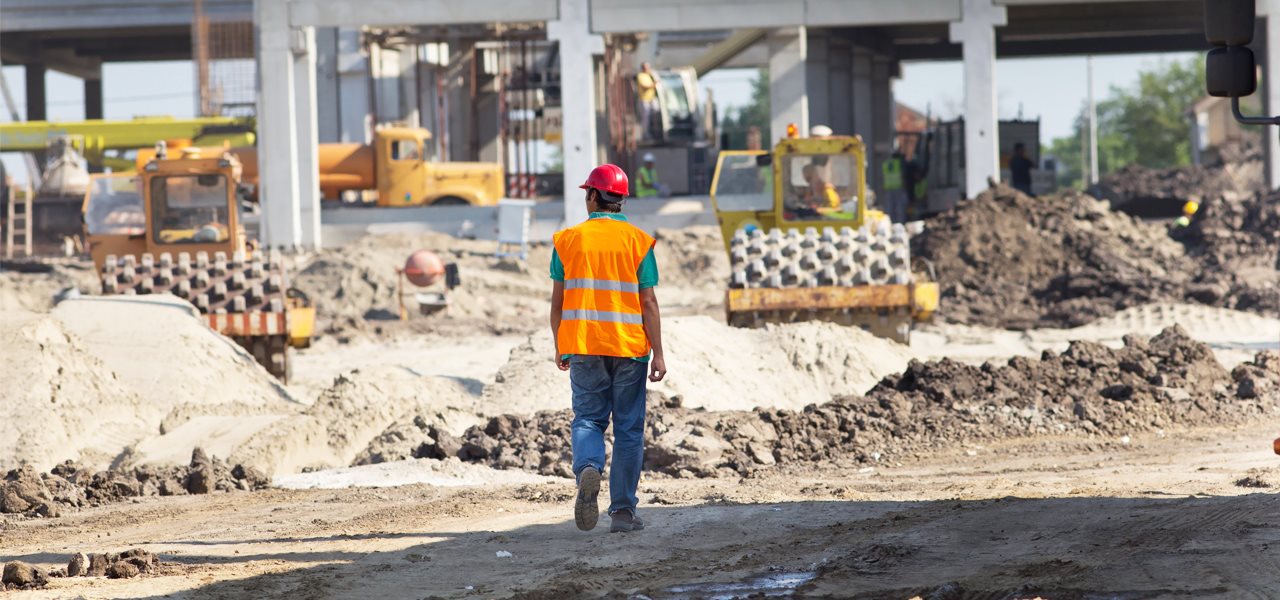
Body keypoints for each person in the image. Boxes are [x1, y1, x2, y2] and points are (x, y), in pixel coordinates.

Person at [549, 163, 667, 534]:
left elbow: (557, 303)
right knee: (629, 429)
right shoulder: (637, 240)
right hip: (630, 349)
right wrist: (659, 352)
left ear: (593, 195)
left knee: (588, 420)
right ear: (621, 200)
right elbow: (648, 302)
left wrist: (560, 345)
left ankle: (587, 467)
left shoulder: (567, 240)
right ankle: (622, 513)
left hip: (583, 345)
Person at [881, 151, 908, 223]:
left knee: (889, 208)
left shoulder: (886, 164)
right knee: (900, 207)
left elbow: (883, 176)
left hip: (888, 188)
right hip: (898, 187)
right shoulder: (899, 163)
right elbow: (903, 175)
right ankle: (900, 223)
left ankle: (889, 223)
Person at [635, 63, 660, 141]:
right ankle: (645, 135)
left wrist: (654, 77)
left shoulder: (650, 75)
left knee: (656, 113)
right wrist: (654, 84)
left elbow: (658, 82)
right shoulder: (640, 76)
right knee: (645, 117)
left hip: (652, 99)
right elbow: (645, 87)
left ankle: (656, 131)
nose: (648, 69)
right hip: (644, 100)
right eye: (646, 68)